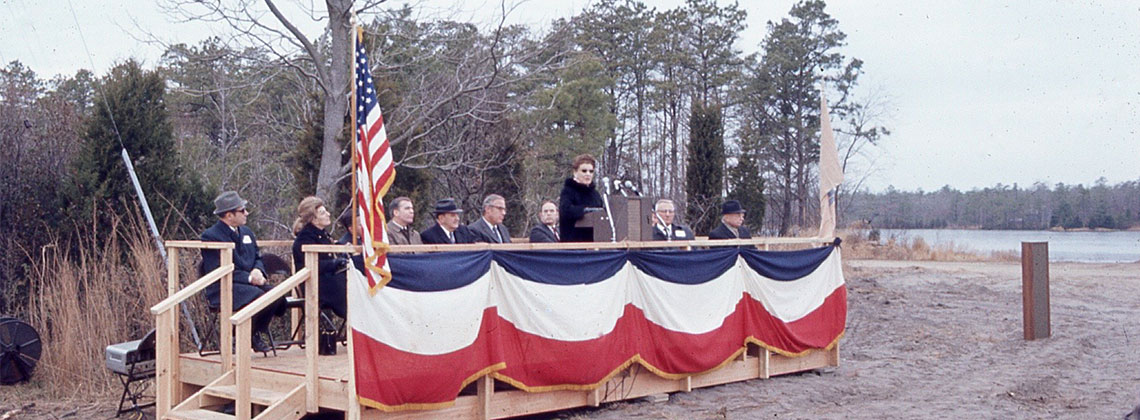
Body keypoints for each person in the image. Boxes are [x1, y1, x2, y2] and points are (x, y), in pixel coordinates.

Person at [200, 191, 286, 352]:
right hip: (224, 287)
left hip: (249, 284)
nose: (246, 213)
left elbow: (257, 257)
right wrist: (249, 278)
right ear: (229, 215)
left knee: (277, 294)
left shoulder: (247, 232)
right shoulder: (211, 236)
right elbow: (218, 269)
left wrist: (258, 270)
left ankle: (254, 333)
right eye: (242, 210)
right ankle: (244, 336)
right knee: (260, 297)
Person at [291, 196, 348, 319]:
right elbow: (311, 265)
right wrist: (335, 263)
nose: (328, 214)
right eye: (322, 213)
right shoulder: (305, 238)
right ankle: (356, 322)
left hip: (328, 280)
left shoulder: (323, 234)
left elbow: (330, 254)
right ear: (313, 219)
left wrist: (342, 252)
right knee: (345, 285)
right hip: (314, 284)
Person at [558, 154, 604, 242]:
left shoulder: (595, 194)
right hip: (573, 243)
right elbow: (566, 210)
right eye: (584, 171)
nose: (588, 174)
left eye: (591, 171)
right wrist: (584, 210)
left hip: (595, 243)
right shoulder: (568, 191)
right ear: (575, 172)